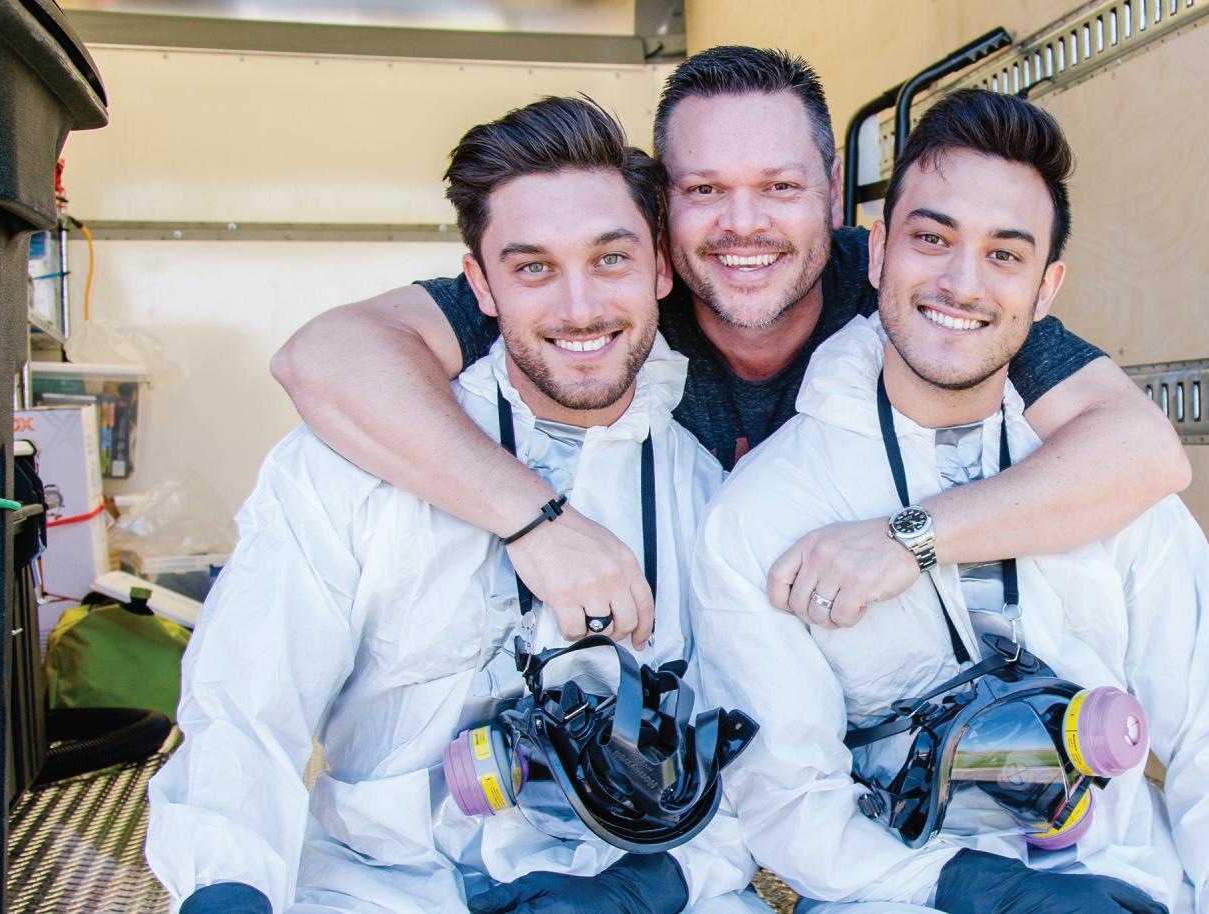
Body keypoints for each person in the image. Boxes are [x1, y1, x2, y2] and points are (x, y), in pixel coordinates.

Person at [689, 89, 1209, 914]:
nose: (962, 282)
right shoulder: (761, 513)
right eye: (932, 239)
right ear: (880, 251)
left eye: (1005, 255)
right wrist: (980, 888)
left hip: (1132, 866)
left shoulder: (1095, 473)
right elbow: (790, 799)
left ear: (1046, 290)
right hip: (908, 891)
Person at [268, 46, 1191, 648]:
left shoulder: (905, 286)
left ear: (834, 191)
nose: (742, 225)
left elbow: (1141, 450)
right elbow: (328, 356)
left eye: (779, 187)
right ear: (659, 207)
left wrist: (913, 538)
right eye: (704, 190)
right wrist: (532, 520)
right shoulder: (611, 294)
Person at [146, 98, 765, 914]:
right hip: (375, 884)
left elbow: (756, 746)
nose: (579, 307)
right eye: (533, 268)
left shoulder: (711, 495)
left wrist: (649, 885)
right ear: (480, 286)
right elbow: (244, 706)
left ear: (659, 268)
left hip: (620, 879)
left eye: (610, 259)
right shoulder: (349, 466)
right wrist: (226, 888)